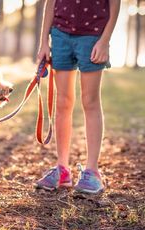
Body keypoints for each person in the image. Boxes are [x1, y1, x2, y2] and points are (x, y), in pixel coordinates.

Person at [34, 0, 121, 193]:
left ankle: (92, 171)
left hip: (92, 36)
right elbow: (50, 3)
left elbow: (115, 4)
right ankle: (62, 168)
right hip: (60, 34)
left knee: (90, 102)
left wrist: (105, 40)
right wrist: (43, 43)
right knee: (63, 102)